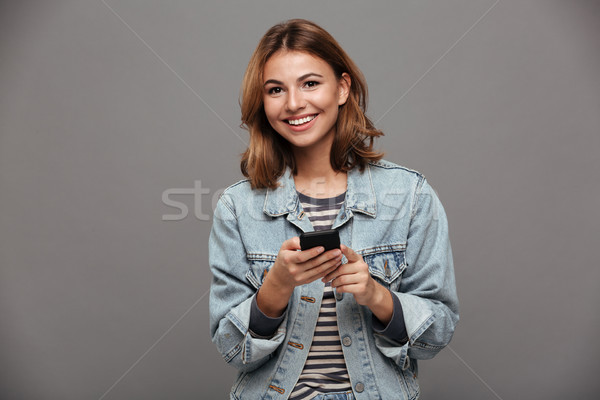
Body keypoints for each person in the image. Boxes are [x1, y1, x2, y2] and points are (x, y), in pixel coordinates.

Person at [209, 19, 459, 400]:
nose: (294, 103)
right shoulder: (235, 207)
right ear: (262, 102)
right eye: (276, 89)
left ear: (342, 88)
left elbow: (436, 335)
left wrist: (376, 296)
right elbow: (232, 350)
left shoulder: (411, 195)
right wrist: (275, 287)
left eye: (310, 83)